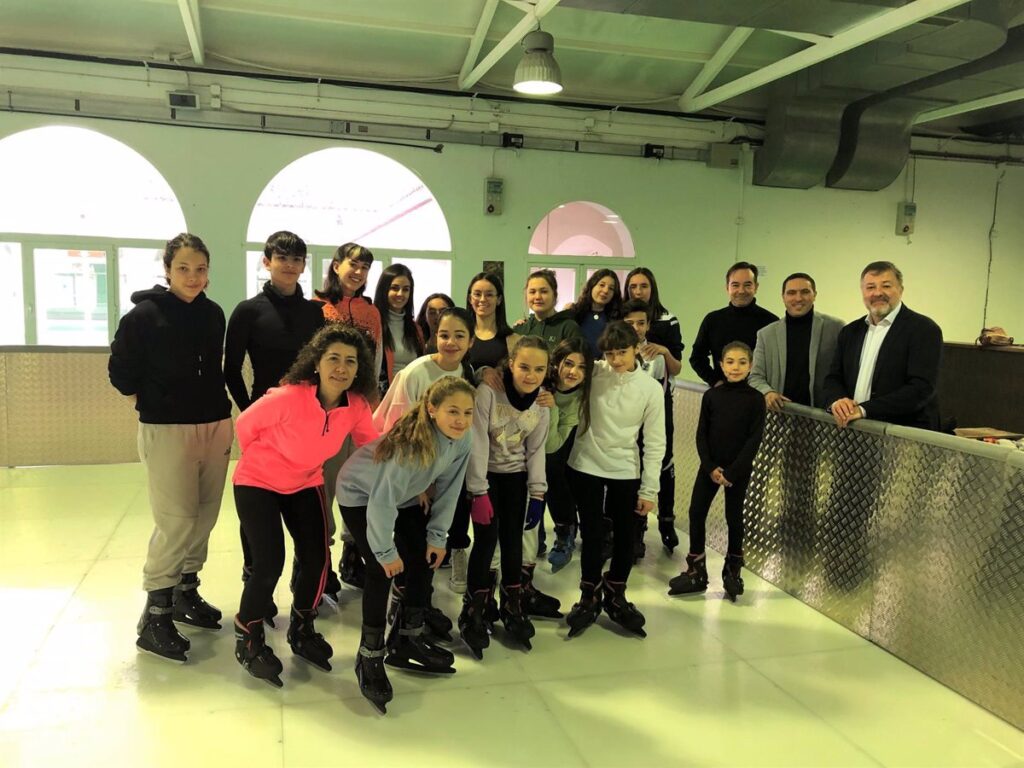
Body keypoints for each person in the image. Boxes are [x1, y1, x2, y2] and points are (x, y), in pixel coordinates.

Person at [108, 233, 233, 663]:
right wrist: (144, 403)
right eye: (183, 268)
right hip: (168, 429)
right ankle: (155, 614)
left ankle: (185, 592)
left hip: (215, 424)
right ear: (167, 269)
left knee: (205, 514)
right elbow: (120, 370)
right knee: (176, 518)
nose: (193, 277)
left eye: (200, 269)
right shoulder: (144, 316)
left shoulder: (214, 314)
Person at [231, 325, 379, 687]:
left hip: (306, 482)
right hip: (258, 481)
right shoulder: (287, 397)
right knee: (269, 564)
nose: (341, 368)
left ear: (359, 369)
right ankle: (247, 635)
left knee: (317, 558)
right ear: (316, 362)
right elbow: (245, 427)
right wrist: (269, 461)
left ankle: (302, 626)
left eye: (350, 361)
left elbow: (373, 446)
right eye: (333, 359)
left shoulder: (356, 406)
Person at [337, 377, 476, 714]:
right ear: (432, 410)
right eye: (452, 411)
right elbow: (381, 501)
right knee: (380, 571)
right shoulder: (409, 446)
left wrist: (437, 536)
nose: (461, 419)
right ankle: (369, 655)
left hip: (405, 496)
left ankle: (406, 639)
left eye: (468, 413)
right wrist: (385, 552)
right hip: (360, 494)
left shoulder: (462, 439)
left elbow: (450, 488)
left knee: (425, 559)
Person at [224, 230, 326, 624]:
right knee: (258, 508)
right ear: (266, 261)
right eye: (281, 257)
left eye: (297, 258)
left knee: (302, 502)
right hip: (264, 424)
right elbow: (231, 369)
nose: (289, 264)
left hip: (306, 424)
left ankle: (306, 584)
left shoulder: (314, 313)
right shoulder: (248, 311)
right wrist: (251, 411)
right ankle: (256, 582)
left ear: (303, 265)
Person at [373, 307, 476, 634]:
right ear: (435, 337)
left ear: (471, 341)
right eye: (444, 335)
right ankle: (405, 610)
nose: (451, 341)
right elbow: (395, 430)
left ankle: (420, 604)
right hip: (402, 475)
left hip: (434, 474)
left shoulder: (464, 372)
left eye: (460, 335)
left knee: (431, 541)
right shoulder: (416, 373)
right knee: (413, 545)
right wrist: (418, 485)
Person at [564, 322, 665, 639]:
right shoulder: (594, 373)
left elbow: (655, 441)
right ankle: (588, 595)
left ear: (636, 347)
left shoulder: (650, 388)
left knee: (626, 538)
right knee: (592, 535)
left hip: (625, 468)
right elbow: (562, 370)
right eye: (610, 353)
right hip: (586, 463)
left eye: (622, 352)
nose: (616, 359)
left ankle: (616, 593)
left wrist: (650, 488)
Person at [459, 336, 551, 658]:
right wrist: (478, 490)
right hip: (486, 478)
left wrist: (538, 493)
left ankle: (512, 603)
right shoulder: (488, 392)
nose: (530, 375)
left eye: (539, 369)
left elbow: (536, 450)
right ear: (511, 363)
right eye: (524, 366)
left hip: (516, 478)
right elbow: (478, 443)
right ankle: (474, 607)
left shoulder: (542, 404)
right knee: (486, 539)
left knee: (513, 540)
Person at [668, 341, 765, 603]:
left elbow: (753, 441)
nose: (735, 367)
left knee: (734, 518)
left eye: (742, 362)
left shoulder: (756, 400)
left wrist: (732, 472)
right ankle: (696, 570)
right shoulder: (712, 396)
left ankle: (732, 570)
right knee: (696, 512)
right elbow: (701, 434)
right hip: (709, 467)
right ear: (721, 365)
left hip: (738, 471)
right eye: (730, 362)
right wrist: (710, 466)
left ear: (750, 366)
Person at [314, 242, 383, 589]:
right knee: (324, 487)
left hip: (361, 413)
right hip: (326, 415)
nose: (358, 272)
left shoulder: (372, 313)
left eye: (365, 267)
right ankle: (317, 561)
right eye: (353, 264)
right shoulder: (319, 308)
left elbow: (376, 362)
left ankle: (352, 553)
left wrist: (374, 408)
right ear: (337, 265)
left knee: (361, 487)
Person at [823, 261, 943, 430]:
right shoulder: (849, 332)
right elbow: (833, 378)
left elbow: (921, 388)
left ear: (901, 290)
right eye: (870, 287)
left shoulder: (924, 329)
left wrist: (864, 410)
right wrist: (838, 401)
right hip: (854, 430)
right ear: (862, 292)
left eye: (886, 286)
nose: (878, 293)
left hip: (904, 435)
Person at [624, 267, 685, 551]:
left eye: (644, 285)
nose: (638, 290)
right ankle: (635, 529)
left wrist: (664, 351)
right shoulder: (618, 351)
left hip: (659, 414)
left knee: (663, 463)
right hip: (628, 418)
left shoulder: (665, 327)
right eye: (633, 286)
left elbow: (675, 368)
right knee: (633, 467)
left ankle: (667, 521)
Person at [749, 272, 843, 411]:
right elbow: (755, 377)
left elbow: (845, 374)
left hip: (823, 417)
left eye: (805, 292)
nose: (798, 298)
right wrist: (767, 392)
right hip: (780, 416)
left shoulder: (836, 328)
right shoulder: (766, 334)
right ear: (783, 297)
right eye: (791, 293)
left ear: (814, 295)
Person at [544, 338, 593, 573]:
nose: (574, 372)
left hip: (560, 447)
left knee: (554, 472)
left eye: (582, 367)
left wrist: (552, 407)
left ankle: (565, 532)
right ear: (556, 362)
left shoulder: (578, 398)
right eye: (569, 363)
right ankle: (534, 533)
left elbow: (552, 445)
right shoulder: (541, 379)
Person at [689, 262, 778, 386]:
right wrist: (715, 381)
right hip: (722, 396)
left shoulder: (771, 322)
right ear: (727, 288)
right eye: (735, 285)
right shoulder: (712, 320)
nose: (741, 291)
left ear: (756, 287)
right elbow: (697, 358)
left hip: (759, 398)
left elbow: (776, 366)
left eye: (747, 285)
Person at [374, 263, 425, 396]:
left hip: (412, 397)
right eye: (394, 288)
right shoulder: (373, 323)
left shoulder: (415, 329)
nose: (400, 294)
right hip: (382, 398)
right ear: (384, 289)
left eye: (406, 289)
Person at [466, 271, 519, 375]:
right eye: (477, 294)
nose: (482, 299)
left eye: (489, 295)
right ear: (470, 299)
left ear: (499, 299)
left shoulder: (512, 340)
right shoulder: (462, 336)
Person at [518, 269, 582, 347]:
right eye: (532, 292)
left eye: (544, 291)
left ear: (554, 295)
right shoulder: (520, 329)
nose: (537, 297)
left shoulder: (569, 328)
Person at [572, 269, 623, 357]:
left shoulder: (617, 317)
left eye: (611, 288)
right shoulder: (575, 312)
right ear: (592, 286)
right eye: (602, 285)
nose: (606, 291)